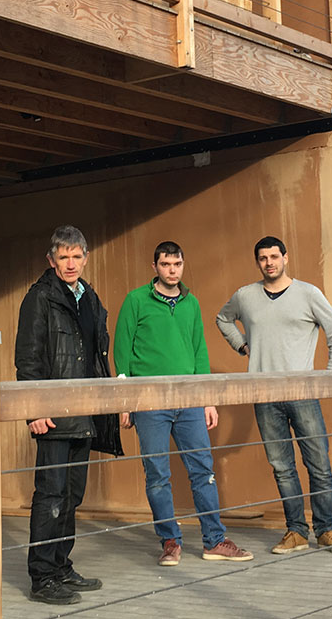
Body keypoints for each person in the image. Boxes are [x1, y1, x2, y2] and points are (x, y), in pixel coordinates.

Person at [115, 241, 254, 567]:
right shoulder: (136, 300)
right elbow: (122, 349)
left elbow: (199, 351)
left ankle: (214, 540)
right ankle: (170, 542)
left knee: (203, 470)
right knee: (157, 475)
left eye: (177, 264)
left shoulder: (191, 303)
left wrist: (207, 399)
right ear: (155, 268)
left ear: (182, 265)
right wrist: (124, 401)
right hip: (149, 401)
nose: (172, 270)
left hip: (190, 400)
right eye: (165, 265)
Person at [215, 236, 332, 555]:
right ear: (258, 262)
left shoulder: (308, 294)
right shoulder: (245, 296)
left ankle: (327, 529)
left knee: (318, 463)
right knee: (281, 466)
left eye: (274, 256)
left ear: (285, 258)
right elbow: (223, 319)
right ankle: (296, 531)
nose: (269, 263)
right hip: (263, 394)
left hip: (302, 392)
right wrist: (242, 345)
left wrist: (331, 378)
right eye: (263, 258)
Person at [16, 225, 122, 606]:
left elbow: (96, 358)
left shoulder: (88, 298)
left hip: (84, 413)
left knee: (73, 494)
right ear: (51, 260)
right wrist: (34, 410)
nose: (71, 263)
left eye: (77, 256)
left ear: (86, 257)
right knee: (51, 495)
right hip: (52, 414)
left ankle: (61, 566)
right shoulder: (40, 298)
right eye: (63, 257)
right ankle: (42, 576)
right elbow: (28, 358)